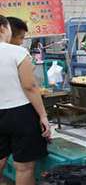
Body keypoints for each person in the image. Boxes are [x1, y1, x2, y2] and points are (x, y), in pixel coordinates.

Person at [0, 15, 50, 185]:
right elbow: (30, 86)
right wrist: (43, 116)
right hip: (20, 114)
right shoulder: (17, 52)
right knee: (24, 168)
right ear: (2, 29)